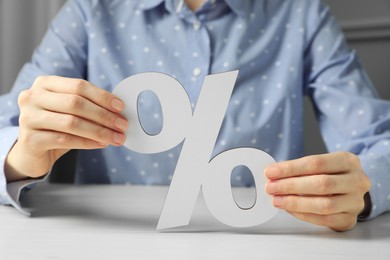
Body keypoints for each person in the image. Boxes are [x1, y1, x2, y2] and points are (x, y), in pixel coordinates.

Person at [0, 0, 389, 232]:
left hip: (264, 243)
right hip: (119, 241)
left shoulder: (299, 12)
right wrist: (21, 157)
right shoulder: (91, 10)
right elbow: (9, 124)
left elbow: (377, 142)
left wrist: (361, 191)